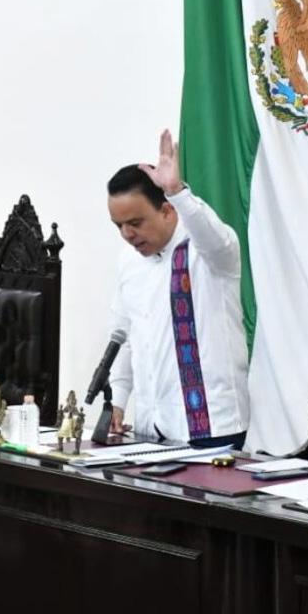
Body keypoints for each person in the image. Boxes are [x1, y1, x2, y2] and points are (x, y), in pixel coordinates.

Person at [107, 129, 249, 449]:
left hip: (211, 429)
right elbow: (123, 335)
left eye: (135, 223)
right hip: (150, 429)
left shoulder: (209, 251)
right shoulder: (129, 261)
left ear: (167, 210)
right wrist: (118, 399)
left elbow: (214, 239)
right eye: (119, 226)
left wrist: (177, 192)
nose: (127, 234)